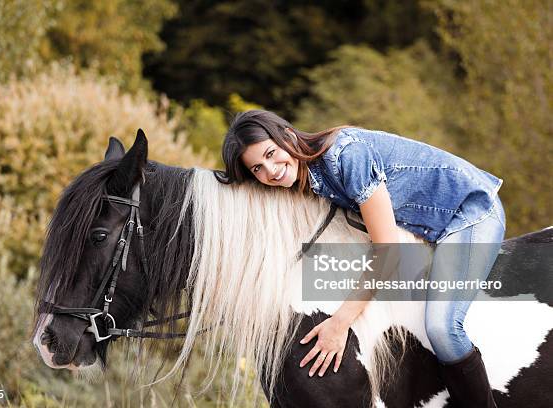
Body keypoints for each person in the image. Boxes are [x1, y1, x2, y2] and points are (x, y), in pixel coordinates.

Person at [216, 109, 505, 408]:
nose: (271, 170)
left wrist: (339, 324)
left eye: (271, 153)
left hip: (468, 212)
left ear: (287, 136)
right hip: (429, 227)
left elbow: (389, 252)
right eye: (257, 169)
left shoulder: (345, 156)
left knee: (442, 328)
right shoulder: (310, 180)